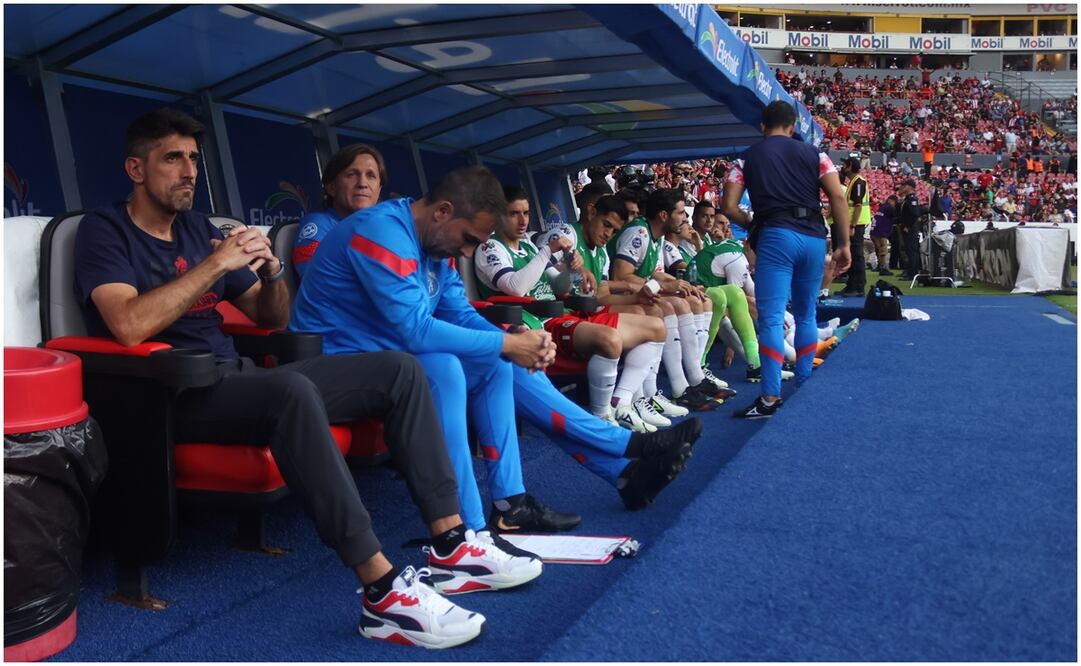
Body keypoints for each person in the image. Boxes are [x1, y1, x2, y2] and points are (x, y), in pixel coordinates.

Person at [72, 108, 507, 649]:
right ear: (136, 169)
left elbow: (270, 317)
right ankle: (381, 591)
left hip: (234, 378)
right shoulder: (105, 230)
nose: (188, 171)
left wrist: (270, 272)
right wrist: (213, 266)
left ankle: (451, 542)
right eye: (172, 159)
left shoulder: (196, 228)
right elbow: (128, 324)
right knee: (291, 388)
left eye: (193, 159)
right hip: (170, 392)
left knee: (401, 370)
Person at [289, 165, 701, 521]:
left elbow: (458, 311)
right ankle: (466, 528)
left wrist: (510, 339)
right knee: (448, 366)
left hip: (390, 358)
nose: (467, 251)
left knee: (496, 360)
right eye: (468, 239)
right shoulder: (381, 231)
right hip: (335, 365)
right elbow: (414, 330)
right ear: (444, 211)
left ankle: (514, 505)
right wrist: (505, 346)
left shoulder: (437, 240)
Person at [474, 185, 667, 434]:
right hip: (529, 325)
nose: (522, 221)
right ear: (499, 214)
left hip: (557, 315)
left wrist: (571, 269)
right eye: (514, 213)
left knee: (656, 327)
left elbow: (558, 285)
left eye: (526, 213)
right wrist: (548, 252)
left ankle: (624, 401)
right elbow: (515, 287)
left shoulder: (529, 248)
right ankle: (602, 417)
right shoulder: (490, 248)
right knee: (609, 340)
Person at [722, 100, 851, 419]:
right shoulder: (816, 154)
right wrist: (845, 244)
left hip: (775, 237)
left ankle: (769, 397)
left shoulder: (745, 158)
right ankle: (804, 381)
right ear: (793, 128)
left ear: (762, 127)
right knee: (807, 314)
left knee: (771, 317)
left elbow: (728, 206)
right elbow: (837, 195)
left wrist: (754, 224)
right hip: (813, 237)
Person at [608, 188, 728, 411]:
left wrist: (680, 284)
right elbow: (621, 275)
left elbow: (653, 273)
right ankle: (675, 388)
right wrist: (664, 286)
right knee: (673, 305)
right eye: (681, 212)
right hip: (618, 297)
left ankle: (693, 378)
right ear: (664, 215)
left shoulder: (656, 237)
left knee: (691, 298)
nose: (685, 218)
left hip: (637, 293)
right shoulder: (639, 233)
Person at [840, 157, 870, 297]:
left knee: (857, 255)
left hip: (856, 224)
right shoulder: (853, 182)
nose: (842, 167)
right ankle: (851, 285)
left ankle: (858, 286)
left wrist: (852, 225)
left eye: (844, 164)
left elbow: (857, 206)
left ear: (850, 166)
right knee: (852, 254)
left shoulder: (858, 182)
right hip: (853, 223)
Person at [897, 178, 928, 280]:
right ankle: (909, 270)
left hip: (910, 228)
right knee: (908, 250)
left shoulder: (912, 199)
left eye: (905, 186)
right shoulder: (907, 199)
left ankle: (912, 273)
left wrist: (908, 226)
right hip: (907, 227)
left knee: (912, 250)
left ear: (909, 187)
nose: (903, 188)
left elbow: (914, 213)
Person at [870, 195, 898, 276]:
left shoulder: (881, 207)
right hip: (881, 232)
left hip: (874, 231)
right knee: (883, 251)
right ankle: (883, 268)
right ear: (891, 201)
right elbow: (895, 216)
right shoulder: (889, 208)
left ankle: (880, 266)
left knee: (878, 250)